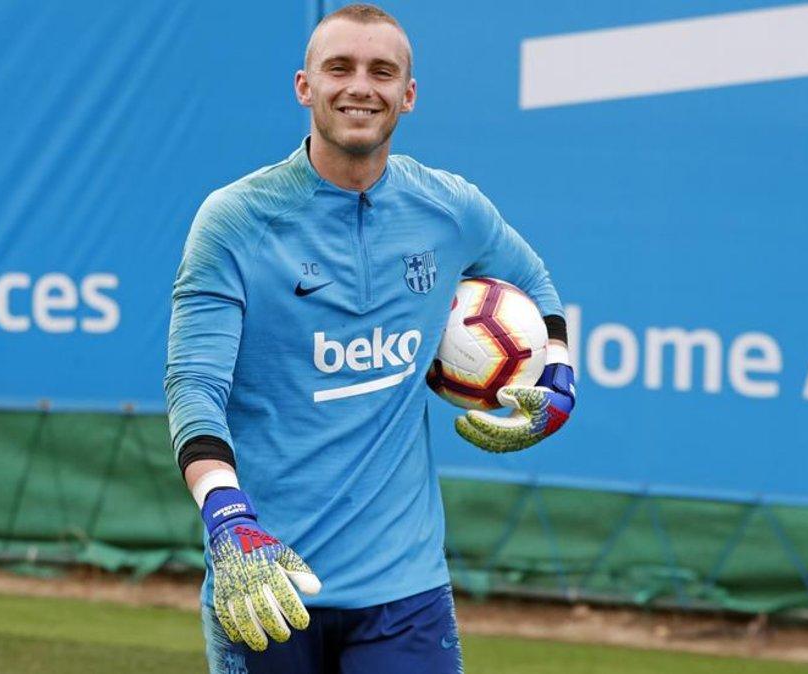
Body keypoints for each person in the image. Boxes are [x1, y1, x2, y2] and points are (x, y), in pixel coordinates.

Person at [165, 5, 576, 673]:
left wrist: (557, 375)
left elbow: (533, 279)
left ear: (408, 95)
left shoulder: (449, 208)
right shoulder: (233, 221)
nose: (361, 85)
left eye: (382, 71)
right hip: (266, 577)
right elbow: (194, 388)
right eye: (340, 68)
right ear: (305, 86)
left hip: (403, 589)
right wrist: (227, 517)